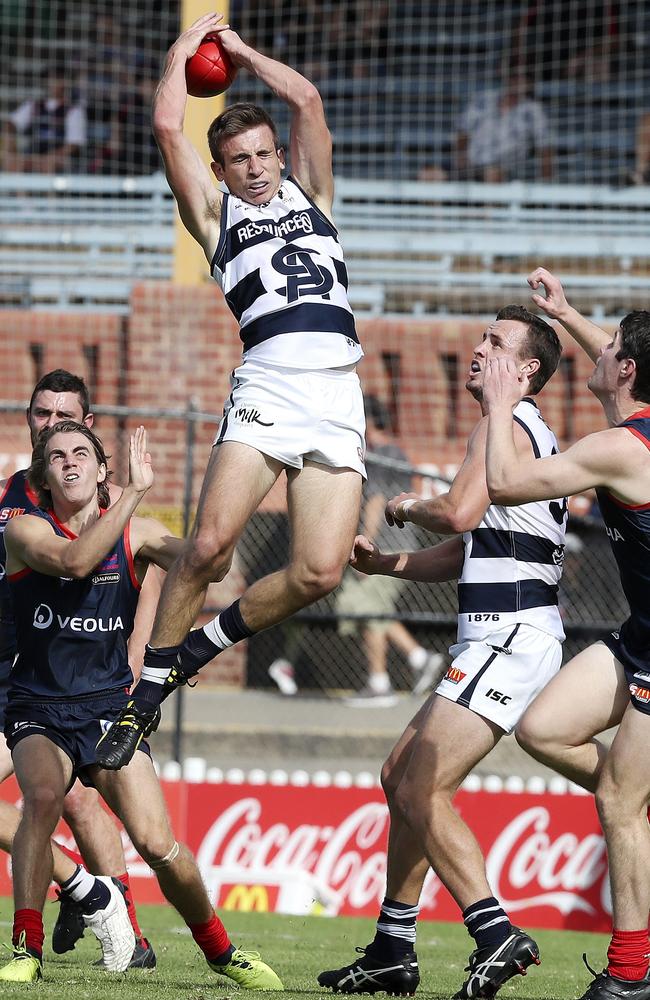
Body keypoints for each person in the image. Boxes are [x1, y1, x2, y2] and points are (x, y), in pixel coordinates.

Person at [96, 10, 365, 769]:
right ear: (220, 172)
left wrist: (243, 52)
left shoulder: (314, 195)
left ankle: (200, 646)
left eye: (261, 153)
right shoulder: (216, 219)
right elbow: (165, 122)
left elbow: (308, 102)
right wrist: (185, 53)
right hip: (270, 386)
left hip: (337, 393)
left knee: (319, 570)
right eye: (238, 159)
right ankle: (143, 701)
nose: (254, 167)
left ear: (278, 155)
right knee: (209, 546)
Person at [318, 305, 565, 1000]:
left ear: (527, 371)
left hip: (509, 632)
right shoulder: (516, 434)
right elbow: (468, 548)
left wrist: (404, 506)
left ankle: (494, 932)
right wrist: (384, 569)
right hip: (501, 631)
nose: (476, 350)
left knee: (422, 787)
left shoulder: (504, 424)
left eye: (495, 343)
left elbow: (454, 514)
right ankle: (394, 946)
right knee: (400, 777)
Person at [0, 420, 283, 989]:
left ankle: (222, 951)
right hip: (39, 705)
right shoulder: (24, 532)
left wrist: (218, 527)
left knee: (157, 843)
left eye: (82, 453)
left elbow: (214, 567)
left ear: (102, 468)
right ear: (43, 475)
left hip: (109, 710)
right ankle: (26, 946)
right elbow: (78, 560)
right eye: (56, 457)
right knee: (44, 797)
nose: (70, 463)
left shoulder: (139, 533)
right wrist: (134, 493)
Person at [484, 268, 650, 1000]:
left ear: (628, 370)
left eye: (606, 346)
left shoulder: (621, 450)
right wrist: (569, 314)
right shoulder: (637, 422)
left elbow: (506, 486)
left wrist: (498, 403)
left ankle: (631, 973)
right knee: (544, 728)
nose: (596, 351)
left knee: (617, 801)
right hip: (640, 633)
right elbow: (620, 359)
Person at [0, 369, 156, 969]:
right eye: (41, 415)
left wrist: (144, 646)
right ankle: (85, 886)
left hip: (75, 678)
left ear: (88, 427)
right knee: (58, 800)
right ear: (29, 420)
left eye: (63, 417)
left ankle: (131, 938)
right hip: (18, 671)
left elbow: (156, 557)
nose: (50, 425)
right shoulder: (14, 498)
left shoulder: (107, 497)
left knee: (82, 803)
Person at [266, 395, 446, 703]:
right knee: (367, 609)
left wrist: (368, 545)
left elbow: (376, 501)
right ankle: (415, 660)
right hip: (394, 545)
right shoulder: (392, 452)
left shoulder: (382, 454)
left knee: (365, 608)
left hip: (384, 547)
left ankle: (382, 682)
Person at [451, 68, 554, 182]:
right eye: (515, 77)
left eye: (525, 78)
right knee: (432, 174)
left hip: (508, 169)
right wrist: (461, 157)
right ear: (508, 79)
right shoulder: (483, 99)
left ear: (531, 84)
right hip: (472, 165)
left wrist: (546, 181)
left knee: (492, 174)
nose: (519, 82)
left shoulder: (533, 110)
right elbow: (462, 130)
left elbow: (545, 146)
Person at [2, 62, 86, 174]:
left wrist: (50, 157)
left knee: (48, 164)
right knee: (11, 161)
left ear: (65, 82)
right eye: (49, 79)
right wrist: (11, 145)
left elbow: (73, 144)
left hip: (58, 156)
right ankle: (20, 191)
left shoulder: (74, 111)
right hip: (33, 153)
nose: (52, 83)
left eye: (57, 79)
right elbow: (10, 124)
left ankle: (49, 192)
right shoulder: (33, 105)